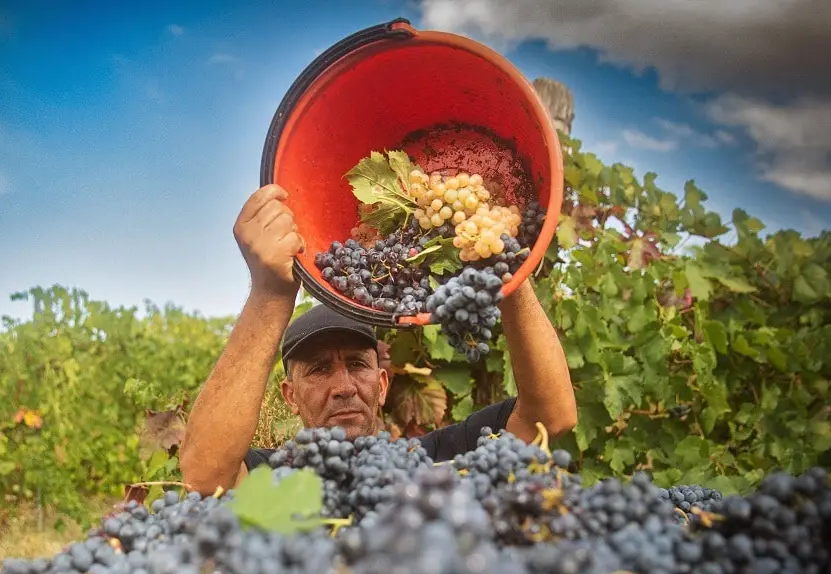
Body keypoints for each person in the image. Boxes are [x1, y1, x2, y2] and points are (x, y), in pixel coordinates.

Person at [179, 184, 577, 495]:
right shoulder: (274, 478)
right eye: (319, 370)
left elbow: (551, 417)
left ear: (383, 384)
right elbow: (203, 476)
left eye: (357, 364)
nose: (343, 387)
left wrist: (504, 267)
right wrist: (270, 296)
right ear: (290, 395)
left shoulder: (438, 459)